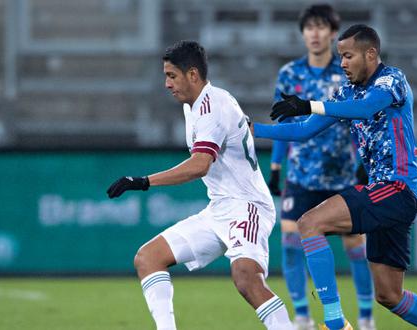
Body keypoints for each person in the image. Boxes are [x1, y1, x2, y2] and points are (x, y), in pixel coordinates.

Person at [253, 25, 417, 330]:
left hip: (397, 187)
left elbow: (365, 109)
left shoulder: (392, 80)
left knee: (310, 223)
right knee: (390, 296)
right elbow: (303, 130)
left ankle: (336, 323)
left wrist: (310, 103)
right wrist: (251, 130)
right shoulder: (347, 92)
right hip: (388, 194)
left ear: (371, 54)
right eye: (340, 57)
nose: (343, 63)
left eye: (348, 56)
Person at [106, 40, 292, 330]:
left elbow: (199, 165)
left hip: (247, 206)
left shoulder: (212, 106)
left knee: (246, 277)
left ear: (192, 75)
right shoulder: (195, 105)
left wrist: (143, 182)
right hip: (220, 208)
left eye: (172, 75)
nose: (167, 84)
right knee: (148, 257)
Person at [267, 5, 375, 330]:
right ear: (303, 34)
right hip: (301, 176)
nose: (314, 33)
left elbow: (360, 118)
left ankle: (367, 317)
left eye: (321, 27)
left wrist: (363, 161)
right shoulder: (289, 74)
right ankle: (302, 316)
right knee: (289, 241)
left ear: (331, 32)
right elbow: (283, 121)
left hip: (341, 174)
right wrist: (275, 166)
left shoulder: (345, 70)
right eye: (309, 28)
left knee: (355, 245)